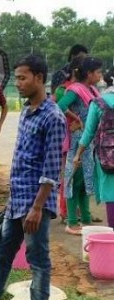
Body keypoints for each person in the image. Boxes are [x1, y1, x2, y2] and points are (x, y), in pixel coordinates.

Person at [0, 54, 67, 300]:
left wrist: (37, 208)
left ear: (39, 78)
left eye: (22, 77)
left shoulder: (52, 117)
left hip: (34, 207)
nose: (17, 83)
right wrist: (10, 201)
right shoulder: (28, 111)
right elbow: (22, 161)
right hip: (16, 201)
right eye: (16, 77)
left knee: (38, 261)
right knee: (3, 255)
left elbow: (51, 169)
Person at [58, 57, 103, 235]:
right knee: (73, 181)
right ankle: (72, 222)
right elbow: (60, 105)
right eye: (98, 72)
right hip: (77, 142)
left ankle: (85, 219)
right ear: (89, 73)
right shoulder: (76, 90)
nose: (100, 76)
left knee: (85, 182)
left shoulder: (91, 89)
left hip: (89, 142)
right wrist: (75, 118)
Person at [73, 69, 114, 228]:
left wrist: (77, 155)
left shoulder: (99, 103)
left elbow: (88, 133)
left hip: (107, 158)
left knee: (111, 195)